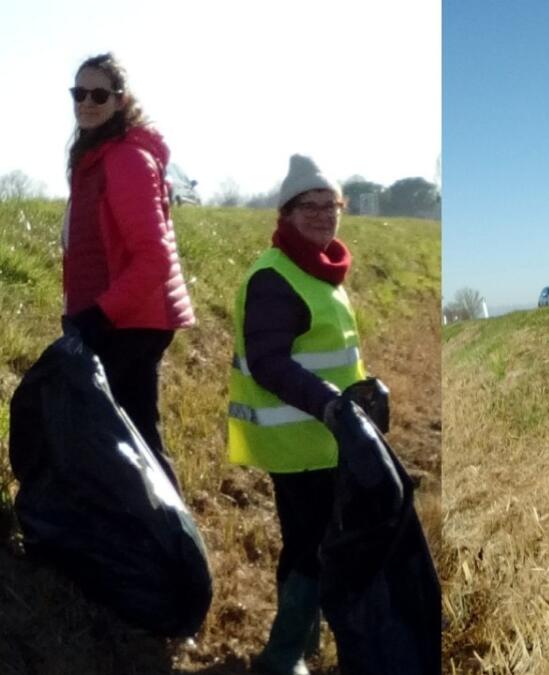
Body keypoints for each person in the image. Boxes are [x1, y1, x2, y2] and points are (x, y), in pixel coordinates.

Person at [227, 154, 366, 675]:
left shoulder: (323, 269)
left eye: (333, 205)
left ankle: (302, 644)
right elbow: (269, 362)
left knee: (317, 543)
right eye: (311, 205)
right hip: (298, 440)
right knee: (311, 546)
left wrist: (362, 397)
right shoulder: (274, 277)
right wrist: (329, 402)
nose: (324, 215)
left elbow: (334, 351)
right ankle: (284, 655)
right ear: (286, 213)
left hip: (331, 436)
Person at [63, 53, 195, 485]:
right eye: (79, 93)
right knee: (134, 438)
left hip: (127, 322)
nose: (87, 102)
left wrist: (99, 316)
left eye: (99, 94)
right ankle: (156, 525)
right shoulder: (99, 155)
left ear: (121, 100)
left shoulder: (126, 159)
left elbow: (153, 258)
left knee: (116, 441)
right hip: (121, 318)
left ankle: (154, 524)